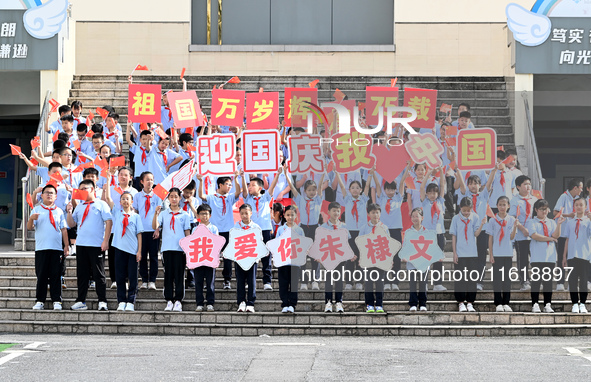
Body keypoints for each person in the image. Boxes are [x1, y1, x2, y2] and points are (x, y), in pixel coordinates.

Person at [66, 179, 112, 311]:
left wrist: (105, 240)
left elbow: (109, 222)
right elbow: (71, 224)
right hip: (81, 245)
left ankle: (102, 301)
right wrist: (69, 212)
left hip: (96, 244)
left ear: (92, 189)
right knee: (82, 274)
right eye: (80, 189)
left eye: (84, 189)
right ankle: (81, 300)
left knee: (99, 274)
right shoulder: (79, 206)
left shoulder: (101, 204)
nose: (81, 192)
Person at [197, 173, 242, 289]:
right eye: (227, 184)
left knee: (227, 257)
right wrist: (201, 181)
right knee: (211, 255)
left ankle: (227, 280)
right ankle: (208, 281)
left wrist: (236, 179)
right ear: (220, 185)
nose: (229, 187)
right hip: (213, 230)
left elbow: (238, 192)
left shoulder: (230, 197)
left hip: (228, 230)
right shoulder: (212, 198)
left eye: (230, 185)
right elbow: (201, 195)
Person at [28, 184, 69, 310]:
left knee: (56, 275)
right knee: (41, 275)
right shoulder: (36, 210)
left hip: (56, 248)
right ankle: (40, 300)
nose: (49, 194)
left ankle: (57, 300)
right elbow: (30, 227)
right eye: (47, 192)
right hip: (41, 248)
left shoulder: (59, 211)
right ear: (42, 195)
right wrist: (31, 219)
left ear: (56, 196)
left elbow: (63, 230)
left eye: (52, 193)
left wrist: (66, 245)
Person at [285, 167, 326, 291]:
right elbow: (292, 187)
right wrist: (287, 173)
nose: (312, 192)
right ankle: (303, 281)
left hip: (315, 228)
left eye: (313, 190)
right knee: (302, 256)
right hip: (303, 229)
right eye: (309, 190)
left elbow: (320, 187)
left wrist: (323, 173)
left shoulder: (318, 199)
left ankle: (315, 280)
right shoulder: (301, 199)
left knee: (315, 256)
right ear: (304, 190)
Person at [241, 173, 281, 291]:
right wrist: (243, 176)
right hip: (251, 230)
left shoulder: (265, 197)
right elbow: (244, 190)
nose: (250, 187)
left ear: (260, 188)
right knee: (250, 255)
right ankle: (249, 281)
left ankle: (267, 281)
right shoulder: (248, 199)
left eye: (253, 185)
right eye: (249, 185)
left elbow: (272, 187)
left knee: (266, 256)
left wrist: (278, 174)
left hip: (265, 230)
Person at [374, 161, 411, 291]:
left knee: (396, 256)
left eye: (392, 189)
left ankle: (394, 281)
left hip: (396, 230)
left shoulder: (398, 198)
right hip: (383, 230)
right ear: (385, 190)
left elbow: (402, 183)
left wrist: (407, 168)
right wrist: (373, 172)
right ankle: (384, 282)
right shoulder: (381, 198)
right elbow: (377, 184)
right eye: (388, 189)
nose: (390, 191)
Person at [153, 187, 191, 312]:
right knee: (168, 275)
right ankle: (169, 300)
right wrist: (156, 214)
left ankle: (178, 300)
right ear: (168, 198)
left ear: (180, 198)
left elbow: (187, 231)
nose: (174, 199)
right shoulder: (164, 213)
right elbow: (155, 226)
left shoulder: (184, 214)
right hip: (167, 249)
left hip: (180, 249)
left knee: (179, 275)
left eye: (176, 196)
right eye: (171, 196)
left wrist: (188, 248)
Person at [106, 189, 143, 312]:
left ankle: (131, 301)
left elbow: (139, 234)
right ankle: (121, 301)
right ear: (120, 201)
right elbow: (108, 198)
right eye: (123, 199)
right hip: (119, 249)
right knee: (120, 277)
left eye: (128, 198)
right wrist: (108, 177)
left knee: (132, 277)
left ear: (132, 201)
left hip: (132, 250)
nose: (125, 201)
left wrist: (139, 251)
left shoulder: (136, 216)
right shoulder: (117, 213)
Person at [526, 199, 566, 313]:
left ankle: (548, 304)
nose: (544, 212)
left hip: (550, 257)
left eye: (546, 209)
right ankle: (535, 304)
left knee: (548, 282)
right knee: (536, 282)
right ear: (536, 210)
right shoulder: (532, 222)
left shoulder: (552, 222)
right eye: (541, 209)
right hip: (537, 257)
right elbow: (535, 236)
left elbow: (556, 235)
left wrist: (559, 224)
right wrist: (550, 239)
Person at [335, 169, 372, 290]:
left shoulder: (364, 199)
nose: (355, 189)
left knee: (361, 258)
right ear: (349, 190)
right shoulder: (347, 199)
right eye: (353, 187)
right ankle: (349, 282)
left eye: (357, 187)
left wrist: (370, 173)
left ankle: (360, 281)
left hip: (361, 233)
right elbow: (341, 185)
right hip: (350, 232)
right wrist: (337, 173)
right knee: (350, 258)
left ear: (360, 190)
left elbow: (367, 185)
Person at [456, 168, 491, 291]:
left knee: (481, 256)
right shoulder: (465, 195)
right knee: (469, 256)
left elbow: (489, 183)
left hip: (482, 229)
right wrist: (458, 170)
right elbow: (461, 183)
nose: (473, 186)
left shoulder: (483, 195)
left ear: (479, 185)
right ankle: (468, 279)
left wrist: (494, 170)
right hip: (468, 230)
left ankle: (479, 281)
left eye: (475, 183)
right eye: (470, 183)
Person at [450, 197, 486, 312]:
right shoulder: (456, 218)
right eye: (464, 210)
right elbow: (454, 236)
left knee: (472, 278)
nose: (466, 213)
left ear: (471, 209)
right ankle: (461, 302)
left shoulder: (475, 217)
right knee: (460, 278)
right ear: (460, 208)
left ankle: (470, 302)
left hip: (472, 253)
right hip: (460, 253)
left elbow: (476, 234)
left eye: (468, 210)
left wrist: (481, 224)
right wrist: (454, 253)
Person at [488, 196, 521, 312]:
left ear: (508, 206)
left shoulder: (511, 219)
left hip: (507, 253)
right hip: (497, 253)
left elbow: (512, 237)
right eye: (500, 204)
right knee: (497, 278)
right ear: (497, 206)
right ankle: (498, 303)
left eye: (504, 205)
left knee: (507, 279)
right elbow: (490, 239)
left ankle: (506, 302)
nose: (502, 207)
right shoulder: (492, 220)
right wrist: (491, 254)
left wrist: (515, 227)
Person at [319, 201, 351, 313]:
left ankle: (338, 302)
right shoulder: (323, 227)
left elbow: (347, 242)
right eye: (334, 210)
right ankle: (328, 302)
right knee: (329, 280)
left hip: (340, 258)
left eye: (338, 211)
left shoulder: (344, 227)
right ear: (328, 212)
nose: (336, 213)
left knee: (339, 280)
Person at [133, 171, 162, 290]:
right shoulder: (137, 196)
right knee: (142, 256)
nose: (150, 182)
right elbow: (135, 212)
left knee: (154, 256)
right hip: (141, 230)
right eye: (147, 179)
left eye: (152, 179)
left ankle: (152, 281)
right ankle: (144, 280)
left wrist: (158, 229)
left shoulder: (157, 196)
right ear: (142, 182)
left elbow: (160, 214)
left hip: (153, 230)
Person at [420, 166, 447, 291]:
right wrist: (428, 173)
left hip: (439, 234)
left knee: (438, 259)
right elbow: (421, 187)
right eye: (430, 192)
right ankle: (423, 282)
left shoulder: (440, 201)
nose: (432, 194)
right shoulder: (424, 202)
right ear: (426, 193)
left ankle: (437, 283)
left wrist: (441, 172)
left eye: (434, 192)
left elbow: (442, 185)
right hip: (426, 234)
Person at [358, 203, 389, 313]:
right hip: (368, 259)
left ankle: (379, 304)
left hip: (380, 259)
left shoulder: (384, 228)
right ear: (368, 214)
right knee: (369, 282)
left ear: (380, 214)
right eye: (373, 212)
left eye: (377, 212)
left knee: (380, 282)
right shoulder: (364, 228)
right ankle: (370, 304)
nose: (375, 215)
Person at [562, 197, 591, 314]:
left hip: (585, 255)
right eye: (577, 205)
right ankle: (574, 303)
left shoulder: (588, 221)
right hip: (572, 256)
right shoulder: (569, 223)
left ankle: (583, 303)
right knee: (572, 281)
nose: (579, 207)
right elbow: (567, 239)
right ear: (574, 207)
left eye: (581, 205)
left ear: (585, 207)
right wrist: (564, 256)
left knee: (584, 281)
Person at [508, 175, 537, 291]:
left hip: (534, 235)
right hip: (521, 235)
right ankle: (524, 281)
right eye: (525, 184)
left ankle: (537, 279)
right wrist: (522, 229)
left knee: (535, 259)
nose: (528, 186)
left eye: (529, 184)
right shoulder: (515, 200)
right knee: (523, 259)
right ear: (518, 187)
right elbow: (513, 217)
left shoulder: (534, 200)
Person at [554, 178, 583, 291]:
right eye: (580, 188)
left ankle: (572, 282)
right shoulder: (564, 197)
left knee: (573, 258)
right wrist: (568, 215)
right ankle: (560, 282)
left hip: (574, 233)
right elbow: (555, 212)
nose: (581, 191)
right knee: (561, 257)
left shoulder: (578, 199)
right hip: (563, 233)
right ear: (575, 188)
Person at [233, 204, 261, 313]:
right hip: (240, 257)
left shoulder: (256, 227)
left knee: (251, 281)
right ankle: (241, 302)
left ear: (251, 213)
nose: (244, 215)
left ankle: (250, 303)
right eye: (242, 213)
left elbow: (259, 243)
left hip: (252, 258)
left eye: (246, 213)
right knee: (240, 281)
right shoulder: (236, 226)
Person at [403, 208, 430, 311]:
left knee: (423, 284)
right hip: (411, 263)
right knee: (413, 284)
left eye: (417, 216)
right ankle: (413, 304)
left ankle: (423, 303)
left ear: (422, 218)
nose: (415, 218)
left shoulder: (426, 232)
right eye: (413, 216)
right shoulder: (408, 232)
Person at [276, 205, 302, 313]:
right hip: (283, 261)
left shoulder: (299, 230)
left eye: (292, 215)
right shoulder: (281, 229)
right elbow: (277, 243)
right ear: (284, 216)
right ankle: (284, 303)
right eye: (288, 215)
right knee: (283, 283)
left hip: (295, 262)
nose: (290, 217)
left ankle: (292, 304)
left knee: (294, 284)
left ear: (295, 216)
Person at [193, 204, 219, 312]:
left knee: (210, 282)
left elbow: (217, 243)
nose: (204, 216)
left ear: (210, 215)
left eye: (206, 214)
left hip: (210, 259)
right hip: (198, 259)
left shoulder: (213, 228)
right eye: (202, 214)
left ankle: (210, 302)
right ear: (198, 215)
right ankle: (199, 303)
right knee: (198, 282)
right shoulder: (195, 228)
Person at [127, 124, 153, 191]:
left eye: (147, 139)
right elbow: (128, 140)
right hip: (138, 175)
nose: (145, 141)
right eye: (143, 139)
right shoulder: (136, 148)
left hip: (147, 174)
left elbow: (147, 148)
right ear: (140, 140)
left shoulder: (151, 149)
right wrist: (128, 127)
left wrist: (148, 140)